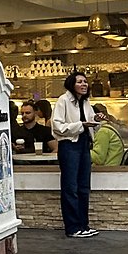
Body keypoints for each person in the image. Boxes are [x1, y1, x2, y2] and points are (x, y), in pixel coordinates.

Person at [52, 72, 98, 237]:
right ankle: (72, 227)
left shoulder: (86, 102)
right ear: (72, 84)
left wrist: (97, 118)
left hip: (84, 144)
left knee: (84, 187)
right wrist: (81, 125)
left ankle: (83, 225)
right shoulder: (63, 100)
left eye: (85, 81)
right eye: (79, 82)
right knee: (70, 187)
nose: (84, 84)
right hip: (69, 145)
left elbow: (91, 122)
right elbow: (57, 126)